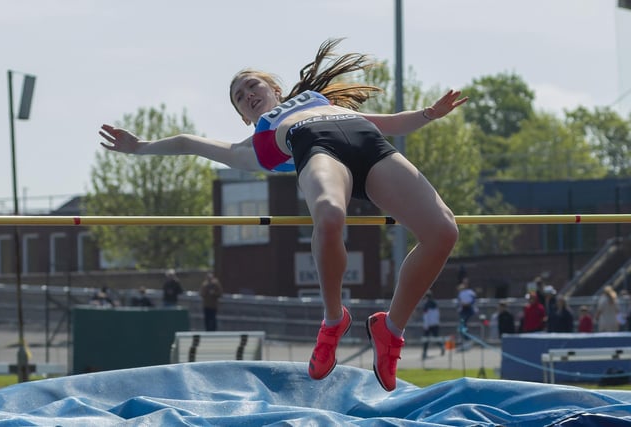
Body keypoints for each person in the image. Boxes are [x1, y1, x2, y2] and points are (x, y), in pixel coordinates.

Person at [99, 38, 467, 391]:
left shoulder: (317, 99)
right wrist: (140, 147)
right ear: (244, 116)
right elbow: (186, 142)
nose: (248, 95)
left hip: (370, 144)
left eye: (251, 85)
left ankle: (391, 330)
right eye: (239, 98)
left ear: (275, 87)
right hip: (317, 149)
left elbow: (387, 123)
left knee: (443, 231)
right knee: (328, 215)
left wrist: (429, 114)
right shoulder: (255, 143)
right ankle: (333, 321)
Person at [420, 291, 444, 359]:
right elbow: (437, 314)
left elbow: (426, 316)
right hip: (435, 323)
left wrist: (426, 325)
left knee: (426, 338)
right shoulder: (435, 303)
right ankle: (441, 346)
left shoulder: (426, 305)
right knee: (436, 337)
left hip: (429, 324)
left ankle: (424, 352)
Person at [456, 277, 476, 344]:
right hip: (463, 310)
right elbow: (459, 302)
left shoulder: (471, 292)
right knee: (462, 325)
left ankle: (468, 339)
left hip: (469, 310)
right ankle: (465, 339)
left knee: (465, 324)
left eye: (466, 283)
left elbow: (473, 301)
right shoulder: (460, 293)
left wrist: (467, 304)